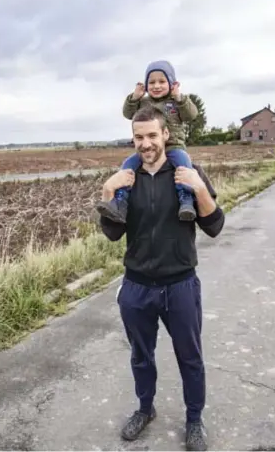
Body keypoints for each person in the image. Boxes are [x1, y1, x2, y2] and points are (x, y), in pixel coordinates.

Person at [98, 105, 225, 451]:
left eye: (152, 135)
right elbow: (111, 233)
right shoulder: (127, 178)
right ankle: (145, 408)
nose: (146, 143)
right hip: (137, 286)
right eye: (139, 137)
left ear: (166, 135)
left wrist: (199, 189)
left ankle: (194, 419)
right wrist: (108, 191)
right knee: (141, 355)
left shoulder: (187, 171)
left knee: (190, 357)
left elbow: (215, 227)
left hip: (180, 285)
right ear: (133, 139)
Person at [96, 60, 199, 224]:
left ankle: (186, 200)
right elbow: (128, 113)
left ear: (172, 83)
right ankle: (120, 202)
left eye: (162, 81)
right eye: (151, 82)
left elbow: (191, 115)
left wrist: (179, 97)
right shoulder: (143, 103)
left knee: (184, 165)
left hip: (174, 146)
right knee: (128, 164)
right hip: (148, 149)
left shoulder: (176, 102)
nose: (156, 86)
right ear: (145, 84)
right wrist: (134, 97)